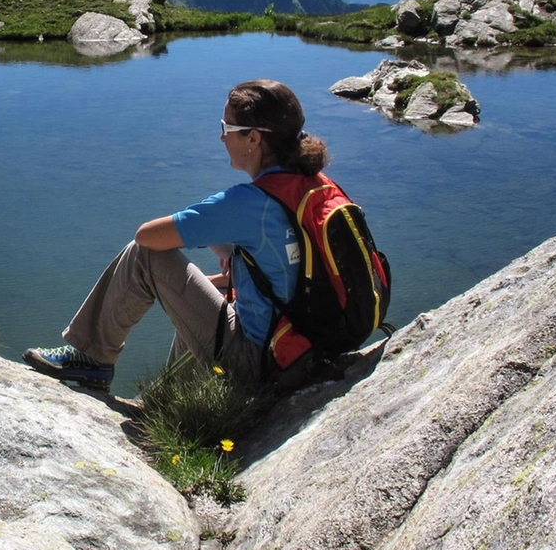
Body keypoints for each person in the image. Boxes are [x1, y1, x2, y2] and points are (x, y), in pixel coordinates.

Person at [23, 79, 330, 391]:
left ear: (252, 137)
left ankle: (93, 357)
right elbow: (288, 269)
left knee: (145, 256)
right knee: (200, 298)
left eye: (226, 127)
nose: (221, 136)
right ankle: (166, 404)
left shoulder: (249, 204)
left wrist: (212, 225)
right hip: (303, 352)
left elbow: (148, 237)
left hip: (260, 363)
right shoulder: (314, 187)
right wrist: (227, 257)